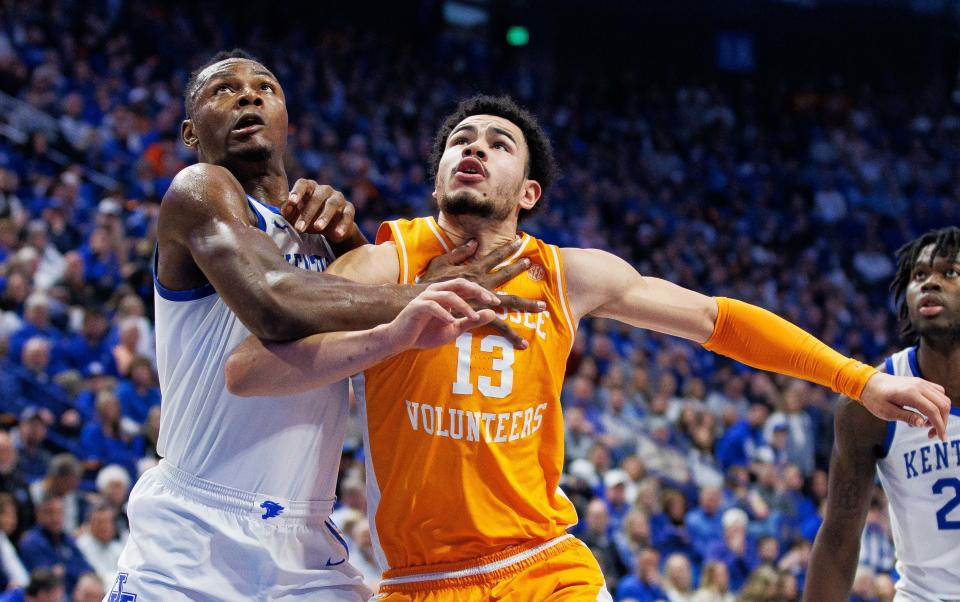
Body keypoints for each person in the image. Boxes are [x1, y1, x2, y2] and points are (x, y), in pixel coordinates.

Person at [228, 95, 951, 600]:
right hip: (420, 581)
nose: (474, 147)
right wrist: (392, 332)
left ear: (529, 192)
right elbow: (248, 371)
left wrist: (857, 378)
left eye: (497, 142)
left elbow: (717, 319)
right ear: (441, 173)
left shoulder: (568, 275)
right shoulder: (390, 259)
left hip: (544, 566)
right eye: (460, 141)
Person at [111, 49, 532, 602]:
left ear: (286, 117)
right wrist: (426, 289)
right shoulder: (200, 189)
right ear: (191, 132)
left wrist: (356, 243)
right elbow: (274, 304)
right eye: (224, 89)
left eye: (266, 88)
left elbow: (374, 337)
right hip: (194, 531)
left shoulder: (322, 229)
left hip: (305, 539)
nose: (247, 95)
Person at [806, 226, 960, 601]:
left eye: (949, 272)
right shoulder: (871, 403)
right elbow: (839, 539)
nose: (929, 283)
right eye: (918, 275)